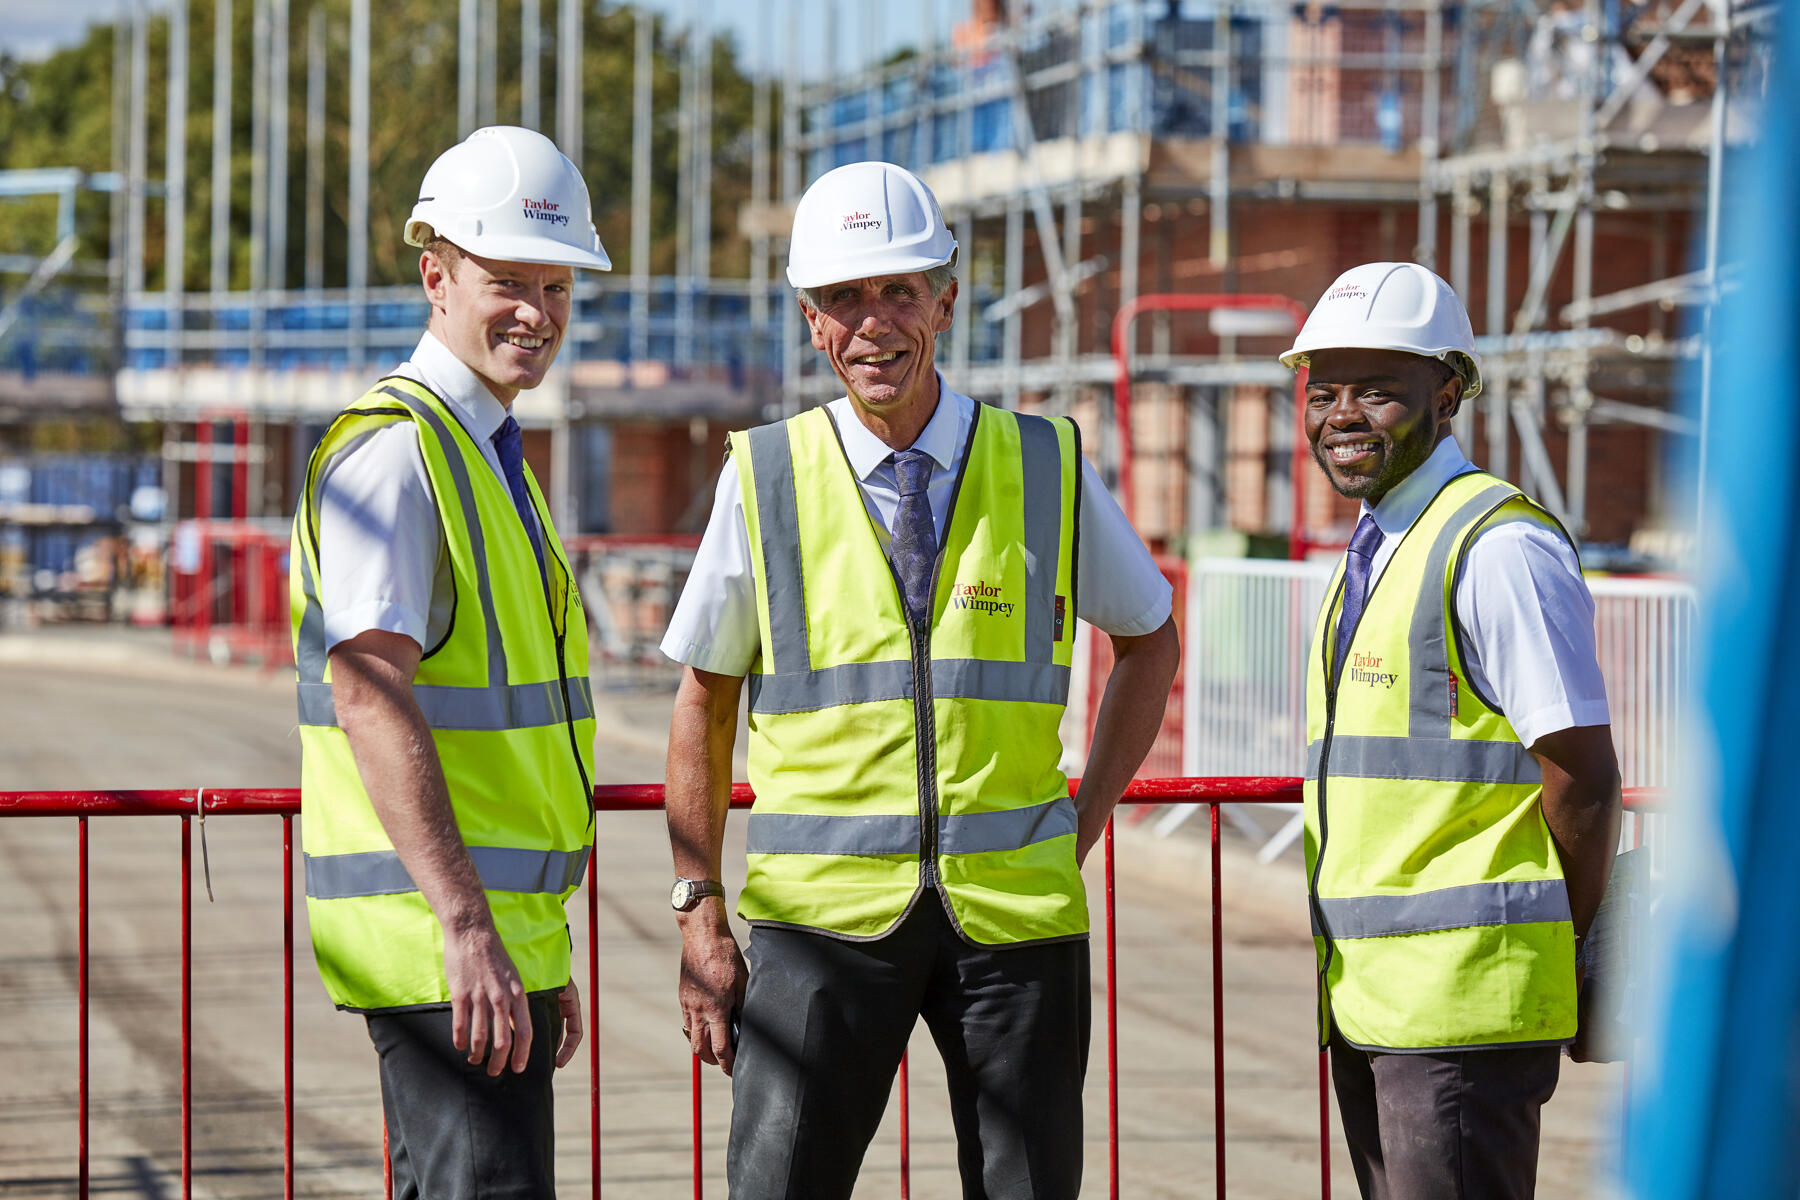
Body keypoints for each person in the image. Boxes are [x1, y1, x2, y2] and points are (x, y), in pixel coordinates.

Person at [660, 160, 1181, 1200]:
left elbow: (1150, 638)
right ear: (812, 322)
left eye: (899, 292)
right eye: (845, 300)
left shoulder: (1044, 462)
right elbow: (704, 699)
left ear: (946, 298)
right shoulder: (764, 474)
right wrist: (699, 911)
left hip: (1016, 928)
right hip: (819, 927)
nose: (874, 325)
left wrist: (1078, 826)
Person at [287, 125, 612, 1199]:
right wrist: (470, 927)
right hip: (443, 947)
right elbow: (368, 696)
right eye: (507, 280)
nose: (538, 312)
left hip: (486, 943)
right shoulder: (399, 453)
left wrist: (534, 948)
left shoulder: (482, 456)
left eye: (557, 286)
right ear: (436, 277)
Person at [1285, 261, 1622, 1200]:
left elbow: (1583, 778)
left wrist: (1560, 948)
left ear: (1447, 393)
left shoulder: (1497, 547)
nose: (1342, 414)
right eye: (1325, 389)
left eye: (1378, 390)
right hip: (1374, 1004)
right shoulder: (1383, 543)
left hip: (1465, 1014)